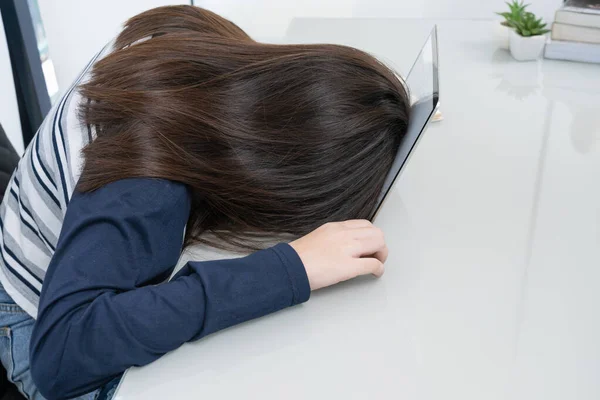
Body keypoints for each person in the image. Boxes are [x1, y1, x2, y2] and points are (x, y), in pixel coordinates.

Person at [0, 5, 410, 400]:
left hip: (62, 262)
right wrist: (288, 268)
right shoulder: (148, 182)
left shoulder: (205, 40)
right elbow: (61, 355)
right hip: (32, 325)